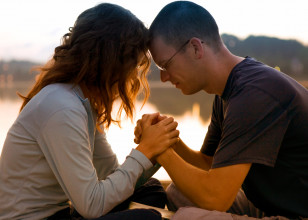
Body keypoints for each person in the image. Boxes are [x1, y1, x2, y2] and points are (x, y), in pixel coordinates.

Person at [0, 3, 180, 220]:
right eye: (133, 65)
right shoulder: (62, 107)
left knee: (149, 191)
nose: (133, 76)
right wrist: (144, 151)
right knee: (147, 218)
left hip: (62, 213)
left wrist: (155, 150)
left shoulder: (81, 103)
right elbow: (92, 206)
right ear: (112, 62)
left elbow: (111, 175)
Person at [134, 1, 308, 219]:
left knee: (188, 217)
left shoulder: (254, 94)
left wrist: (160, 149)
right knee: (181, 193)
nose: (163, 77)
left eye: (165, 65)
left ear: (196, 48)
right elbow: (208, 164)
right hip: (273, 204)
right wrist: (169, 140)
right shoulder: (227, 91)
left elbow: (216, 198)